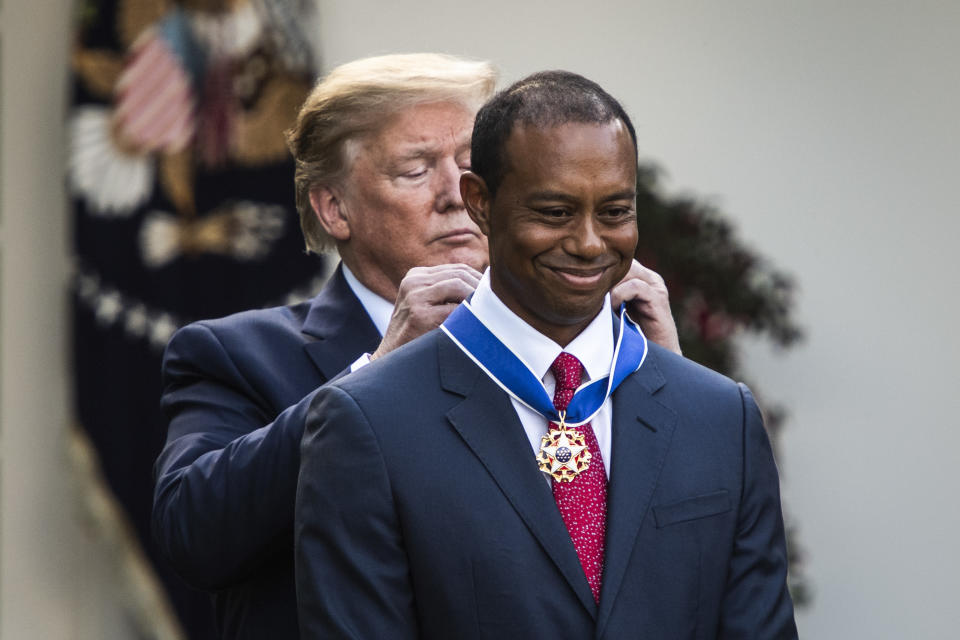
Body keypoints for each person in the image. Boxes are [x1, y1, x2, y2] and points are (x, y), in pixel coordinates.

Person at [153, 55, 680, 639]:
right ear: (335, 209)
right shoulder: (238, 355)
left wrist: (670, 388)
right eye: (415, 170)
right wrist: (375, 372)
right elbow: (193, 535)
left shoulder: (602, 347)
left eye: (471, 168)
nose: (457, 195)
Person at [295, 70, 797, 639]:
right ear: (479, 203)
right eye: (555, 213)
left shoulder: (720, 416)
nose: (588, 244)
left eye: (614, 212)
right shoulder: (368, 423)